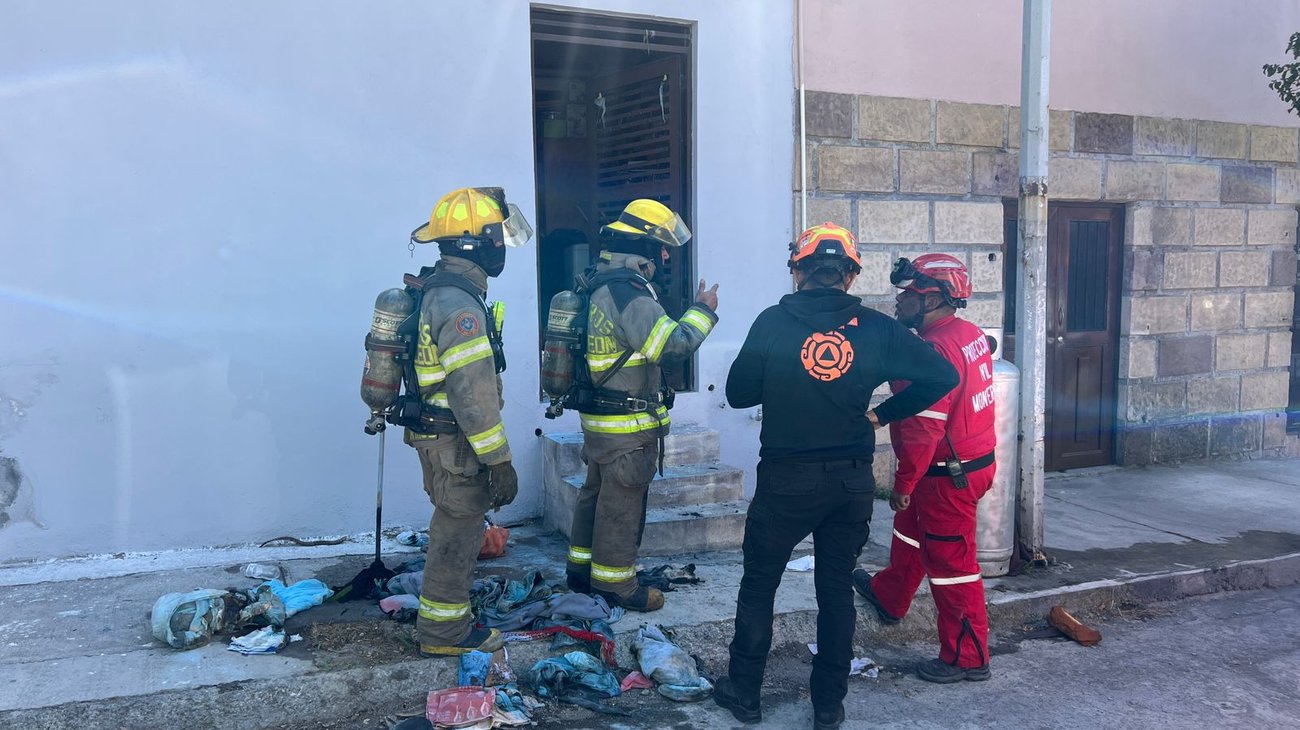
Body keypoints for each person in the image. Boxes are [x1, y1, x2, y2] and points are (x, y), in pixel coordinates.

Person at [714, 224, 959, 729]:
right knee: (834, 592)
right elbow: (943, 376)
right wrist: (884, 413)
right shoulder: (875, 327)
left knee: (760, 586)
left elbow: (738, 393)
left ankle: (745, 695)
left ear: (798, 271)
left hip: (787, 480)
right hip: (850, 482)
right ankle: (828, 704)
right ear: (849, 276)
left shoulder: (773, 323)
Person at [564, 199, 719, 612]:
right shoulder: (629, 293)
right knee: (621, 503)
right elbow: (673, 347)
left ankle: (580, 572)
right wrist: (703, 311)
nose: (666, 256)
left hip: (599, 418)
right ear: (644, 248)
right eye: (662, 248)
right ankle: (615, 585)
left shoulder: (595, 282)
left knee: (594, 494)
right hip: (627, 426)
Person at [852, 253, 998, 684]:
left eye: (908, 296)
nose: (899, 303)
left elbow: (922, 427)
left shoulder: (931, 351)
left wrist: (903, 482)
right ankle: (890, 596)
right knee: (910, 531)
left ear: (931, 298)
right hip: (968, 464)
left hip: (945, 474)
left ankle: (967, 657)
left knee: (954, 569)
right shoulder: (967, 333)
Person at [404, 187, 532, 656]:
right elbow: (473, 396)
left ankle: (445, 622)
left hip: (433, 434)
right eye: (496, 235)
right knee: (458, 528)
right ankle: (444, 633)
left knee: (451, 523)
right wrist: (499, 461)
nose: (502, 245)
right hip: (456, 440)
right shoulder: (460, 306)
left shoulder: (437, 291)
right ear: (473, 242)